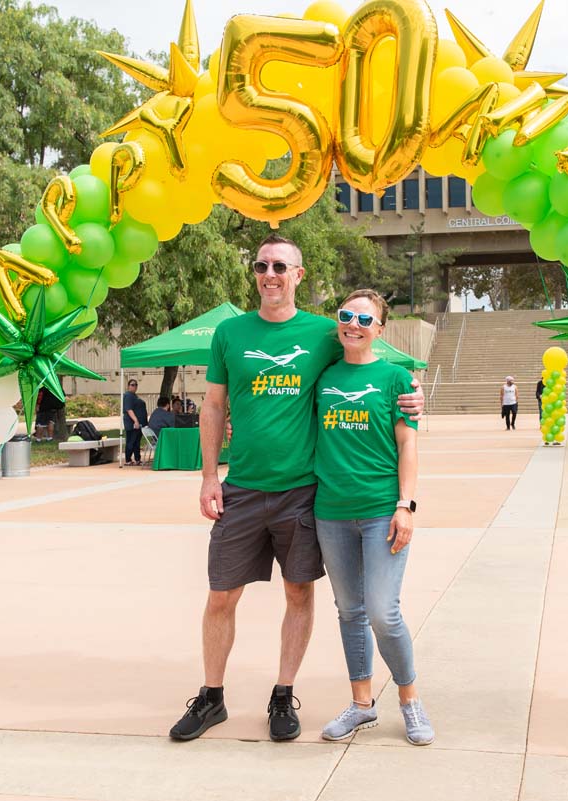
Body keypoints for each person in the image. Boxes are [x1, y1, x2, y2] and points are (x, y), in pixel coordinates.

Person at [171, 233, 423, 743]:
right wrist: (207, 477)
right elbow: (214, 406)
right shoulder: (229, 334)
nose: (271, 275)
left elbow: (381, 360)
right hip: (240, 487)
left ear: (298, 275)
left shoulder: (325, 333)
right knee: (221, 595)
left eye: (281, 267)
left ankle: (283, 695)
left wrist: (418, 399)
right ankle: (212, 697)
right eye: (263, 265)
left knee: (299, 593)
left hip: (304, 493)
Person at [313, 290, 432, 745]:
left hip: (383, 509)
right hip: (331, 513)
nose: (354, 324)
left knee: (383, 612)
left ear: (379, 329)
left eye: (365, 319)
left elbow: (408, 445)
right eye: (346, 316)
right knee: (350, 611)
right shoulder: (322, 377)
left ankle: (409, 700)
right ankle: (361, 705)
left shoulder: (396, 378)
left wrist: (406, 506)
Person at [122, 379, 148, 466]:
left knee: (137, 442)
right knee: (131, 441)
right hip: (132, 424)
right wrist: (135, 421)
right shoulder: (128, 396)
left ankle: (137, 459)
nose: (134, 386)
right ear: (128, 386)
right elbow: (129, 409)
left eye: (136, 385)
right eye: (132, 385)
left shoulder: (134, 396)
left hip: (140, 425)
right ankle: (128, 459)